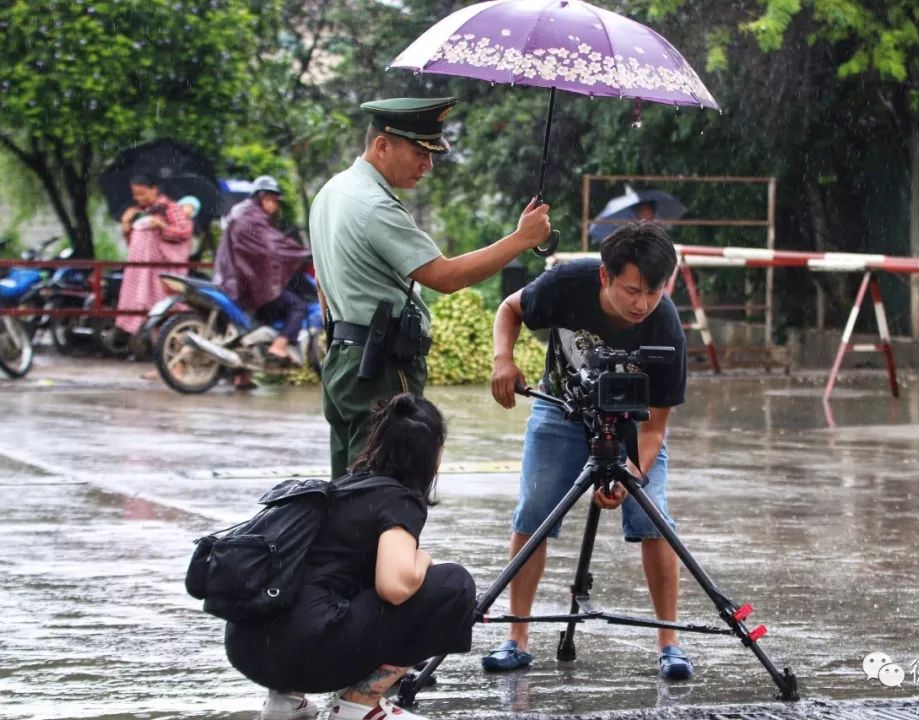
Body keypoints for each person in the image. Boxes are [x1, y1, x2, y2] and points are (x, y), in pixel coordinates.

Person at [485, 222, 694, 680]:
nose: (641, 304)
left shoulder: (666, 328)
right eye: (631, 290)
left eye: (653, 291)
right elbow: (509, 308)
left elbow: (657, 424)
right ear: (605, 277)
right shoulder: (566, 284)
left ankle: (670, 644)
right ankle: (515, 636)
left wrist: (632, 475)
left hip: (632, 423)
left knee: (652, 514)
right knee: (535, 509)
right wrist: (504, 357)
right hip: (561, 412)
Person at [310, 96, 551, 479]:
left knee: (348, 488)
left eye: (432, 153)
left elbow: (321, 279)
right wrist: (521, 240)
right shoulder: (376, 206)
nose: (428, 164)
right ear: (383, 145)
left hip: (343, 359)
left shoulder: (332, 192)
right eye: (419, 151)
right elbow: (446, 276)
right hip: (381, 367)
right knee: (385, 493)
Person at [225, 393, 476, 720]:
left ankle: (284, 702)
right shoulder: (399, 499)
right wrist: (422, 558)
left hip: (247, 647)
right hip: (307, 652)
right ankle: (360, 702)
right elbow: (394, 586)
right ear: (433, 453)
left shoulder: (343, 486)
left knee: (323, 586)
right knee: (454, 585)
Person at [214, 176, 312, 368]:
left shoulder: (241, 212)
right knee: (298, 306)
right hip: (247, 285)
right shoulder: (254, 218)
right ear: (263, 197)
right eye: (272, 199)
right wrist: (303, 253)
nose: (274, 205)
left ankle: (241, 375)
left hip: (232, 280)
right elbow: (274, 247)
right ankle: (279, 345)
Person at [115, 172, 193, 337]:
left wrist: (162, 226)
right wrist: (126, 226)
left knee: (165, 316)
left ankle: (174, 357)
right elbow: (135, 245)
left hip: (161, 275)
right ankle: (162, 356)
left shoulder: (170, 208)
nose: (139, 198)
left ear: (154, 189)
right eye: (135, 194)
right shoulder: (140, 213)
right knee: (152, 319)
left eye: (142, 193)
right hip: (143, 275)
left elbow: (185, 232)